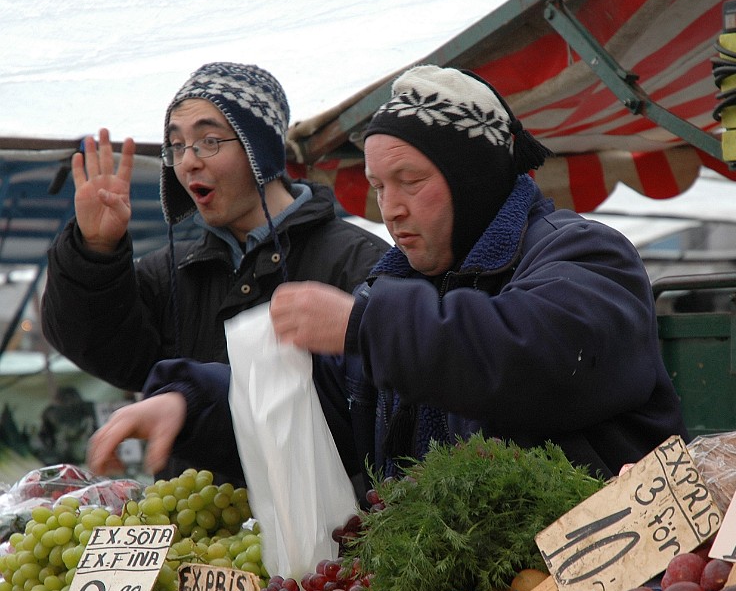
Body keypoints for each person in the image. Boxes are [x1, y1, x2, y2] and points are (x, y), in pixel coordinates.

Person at [87, 64, 687, 487]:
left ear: (472, 180)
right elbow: (310, 403)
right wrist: (193, 403)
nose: (389, 208)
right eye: (377, 186)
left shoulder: (586, 256)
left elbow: (530, 354)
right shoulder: (394, 287)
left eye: (411, 181)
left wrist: (363, 325)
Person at [42, 62, 391, 480]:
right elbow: (100, 348)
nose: (187, 162)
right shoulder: (173, 271)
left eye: (209, 141)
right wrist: (95, 251)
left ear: (261, 148)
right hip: (193, 539)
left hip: (325, 534)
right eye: (176, 144)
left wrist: (193, 403)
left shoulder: (358, 261)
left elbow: (374, 414)